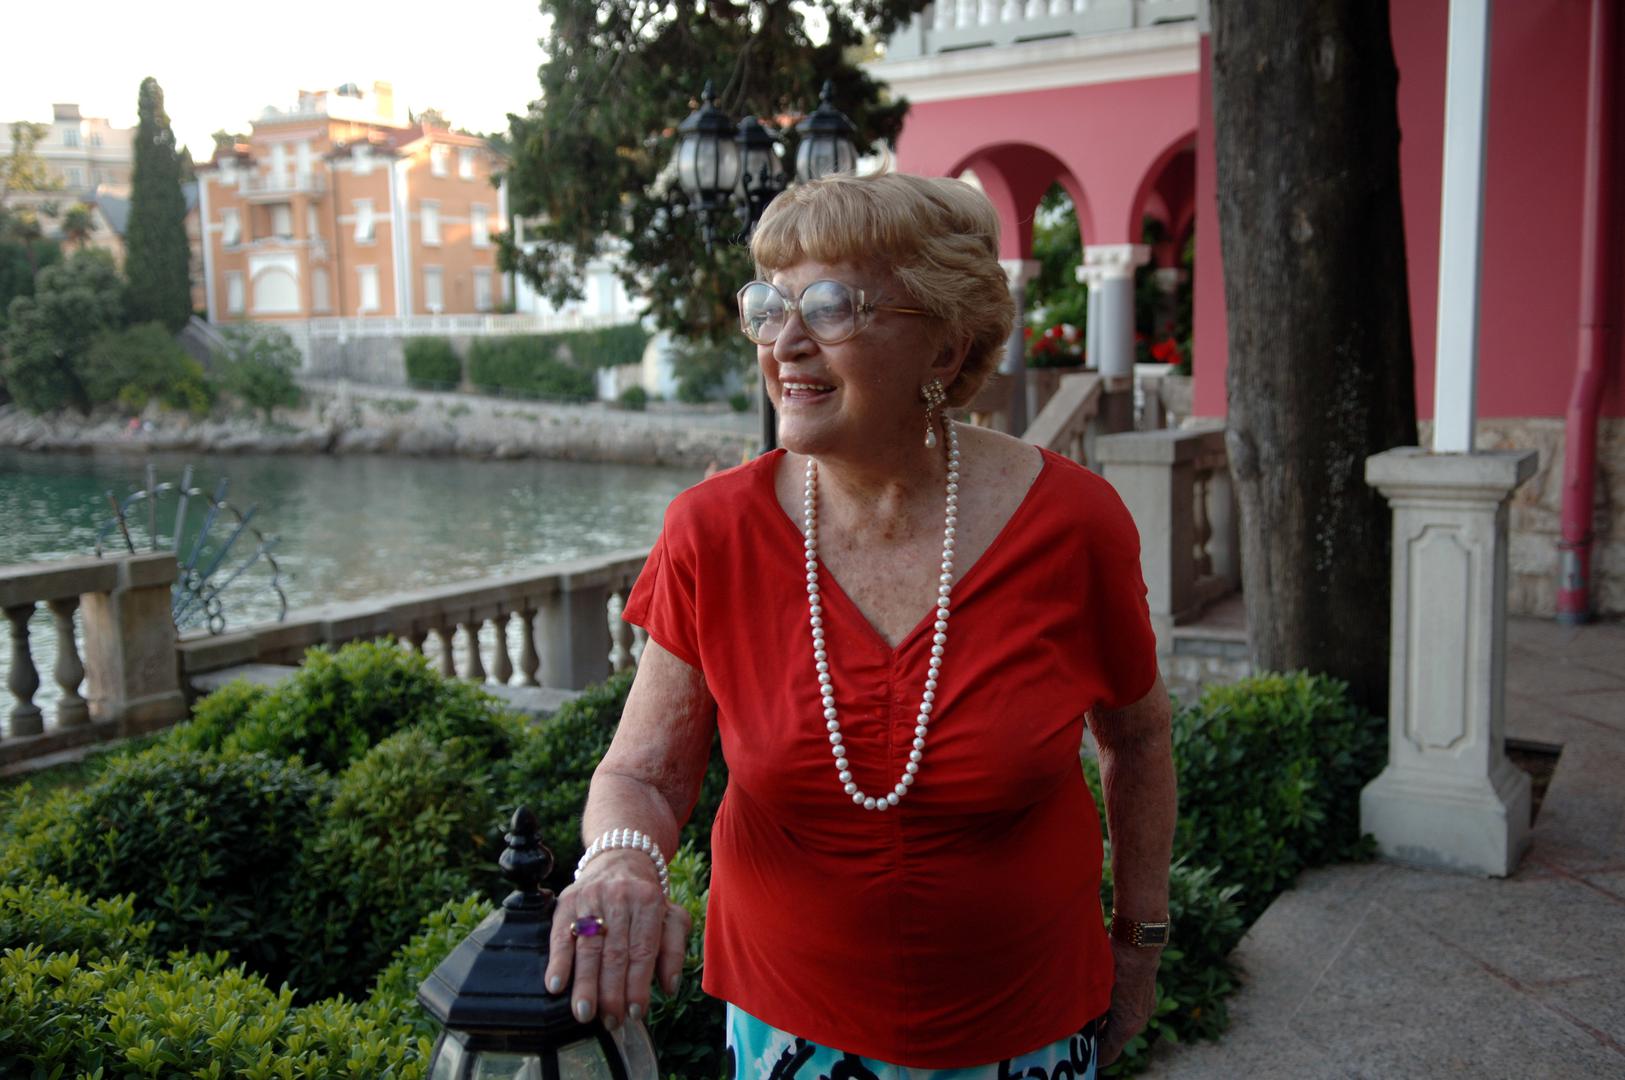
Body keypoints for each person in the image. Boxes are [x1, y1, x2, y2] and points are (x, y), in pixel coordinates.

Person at [545, 170, 1176, 1077]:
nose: (785, 344)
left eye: (831, 308)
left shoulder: (1073, 525)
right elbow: (642, 773)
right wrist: (617, 864)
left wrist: (1140, 941)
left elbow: (1137, 738)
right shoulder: (711, 532)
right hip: (786, 1028)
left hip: (1026, 1020)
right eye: (770, 308)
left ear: (945, 350)